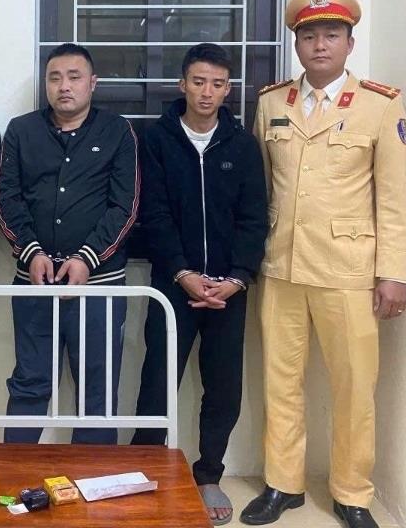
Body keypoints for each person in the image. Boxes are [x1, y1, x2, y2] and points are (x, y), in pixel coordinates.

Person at [240, 0, 406, 528]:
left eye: (331, 34)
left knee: (354, 388)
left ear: (349, 43)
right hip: (282, 266)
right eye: (309, 35)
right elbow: (261, 188)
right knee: (280, 382)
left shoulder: (380, 104)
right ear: (296, 43)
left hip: (348, 271)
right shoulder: (272, 103)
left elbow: (393, 198)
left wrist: (393, 273)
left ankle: (352, 492)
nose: (319, 45)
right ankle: (282, 483)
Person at [130, 43, 267, 525]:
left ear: (228, 90)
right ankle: (145, 467)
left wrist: (237, 278)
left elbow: (254, 218)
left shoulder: (242, 145)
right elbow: (154, 214)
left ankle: (208, 474)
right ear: (182, 84)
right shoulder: (156, 140)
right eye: (198, 81)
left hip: (229, 290)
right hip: (173, 285)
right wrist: (183, 273)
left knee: (223, 388)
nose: (207, 92)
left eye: (217, 84)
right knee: (157, 381)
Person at [0, 42, 139, 444]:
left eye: (74, 77)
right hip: (34, 283)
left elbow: (125, 206)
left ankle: (91, 480)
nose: (64, 86)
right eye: (54, 78)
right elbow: (6, 198)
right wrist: (31, 252)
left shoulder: (117, 131)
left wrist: (86, 259)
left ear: (93, 83)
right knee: (29, 383)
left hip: (99, 287)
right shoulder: (21, 131)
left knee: (97, 392)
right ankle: (17, 473)